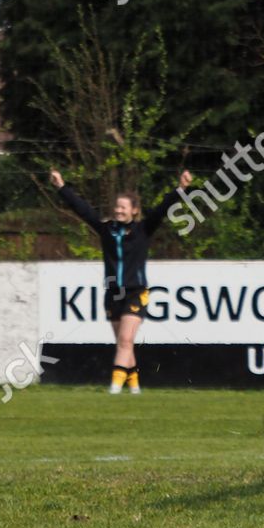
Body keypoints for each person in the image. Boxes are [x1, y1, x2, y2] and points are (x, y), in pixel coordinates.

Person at [49, 168, 193, 394]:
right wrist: (61, 186)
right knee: (124, 344)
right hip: (113, 293)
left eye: (123, 207)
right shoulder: (107, 230)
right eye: (117, 207)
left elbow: (163, 209)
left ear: (134, 211)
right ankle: (134, 388)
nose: (118, 210)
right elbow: (83, 211)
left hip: (136, 291)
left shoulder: (143, 229)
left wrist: (181, 189)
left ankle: (115, 387)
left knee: (125, 340)